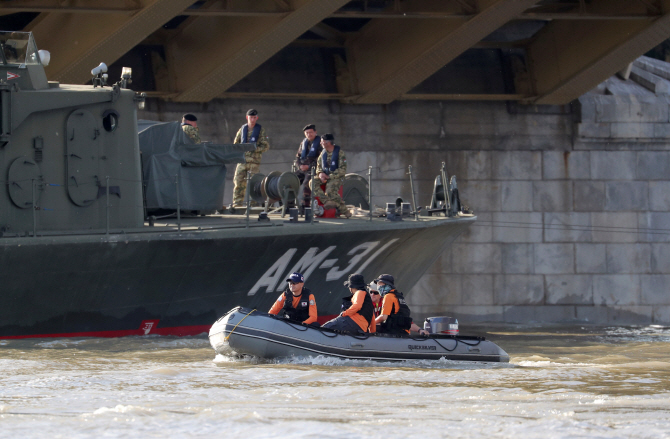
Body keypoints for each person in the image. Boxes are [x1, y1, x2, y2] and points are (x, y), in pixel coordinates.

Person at [232, 109, 270, 207]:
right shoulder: (242, 129)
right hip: (242, 161)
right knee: (238, 181)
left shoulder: (260, 130)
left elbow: (265, 146)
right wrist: (242, 148)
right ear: (247, 117)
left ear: (256, 118)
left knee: (254, 184)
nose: (252, 120)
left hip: (254, 162)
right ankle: (237, 204)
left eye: (254, 117)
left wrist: (254, 148)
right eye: (250, 117)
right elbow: (235, 145)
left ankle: (253, 204)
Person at [314, 133, 351, 218]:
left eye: (322, 142)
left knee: (330, 191)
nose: (320, 143)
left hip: (336, 177)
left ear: (328, 143)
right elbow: (318, 167)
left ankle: (344, 210)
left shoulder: (340, 153)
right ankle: (326, 201)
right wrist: (320, 174)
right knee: (312, 182)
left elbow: (342, 170)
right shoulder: (323, 154)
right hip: (325, 176)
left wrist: (330, 177)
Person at [294, 124, 322, 208]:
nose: (309, 134)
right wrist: (300, 166)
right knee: (291, 180)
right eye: (307, 133)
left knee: (307, 182)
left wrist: (309, 167)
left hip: (314, 170)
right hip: (302, 169)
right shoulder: (303, 143)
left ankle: (305, 206)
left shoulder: (321, 143)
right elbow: (298, 157)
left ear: (315, 132)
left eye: (311, 132)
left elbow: (322, 160)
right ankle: (288, 205)